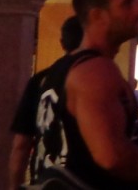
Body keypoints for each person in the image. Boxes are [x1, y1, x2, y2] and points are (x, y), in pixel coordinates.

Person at [29, 0, 138, 188]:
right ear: (97, 16)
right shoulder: (96, 71)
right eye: (127, 4)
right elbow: (111, 156)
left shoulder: (60, 69)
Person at [9, 14, 84, 189]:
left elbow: (21, 145)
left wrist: (15, 186)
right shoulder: (94, 81)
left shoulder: (41, 80)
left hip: (43, 179)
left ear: (62, 43)